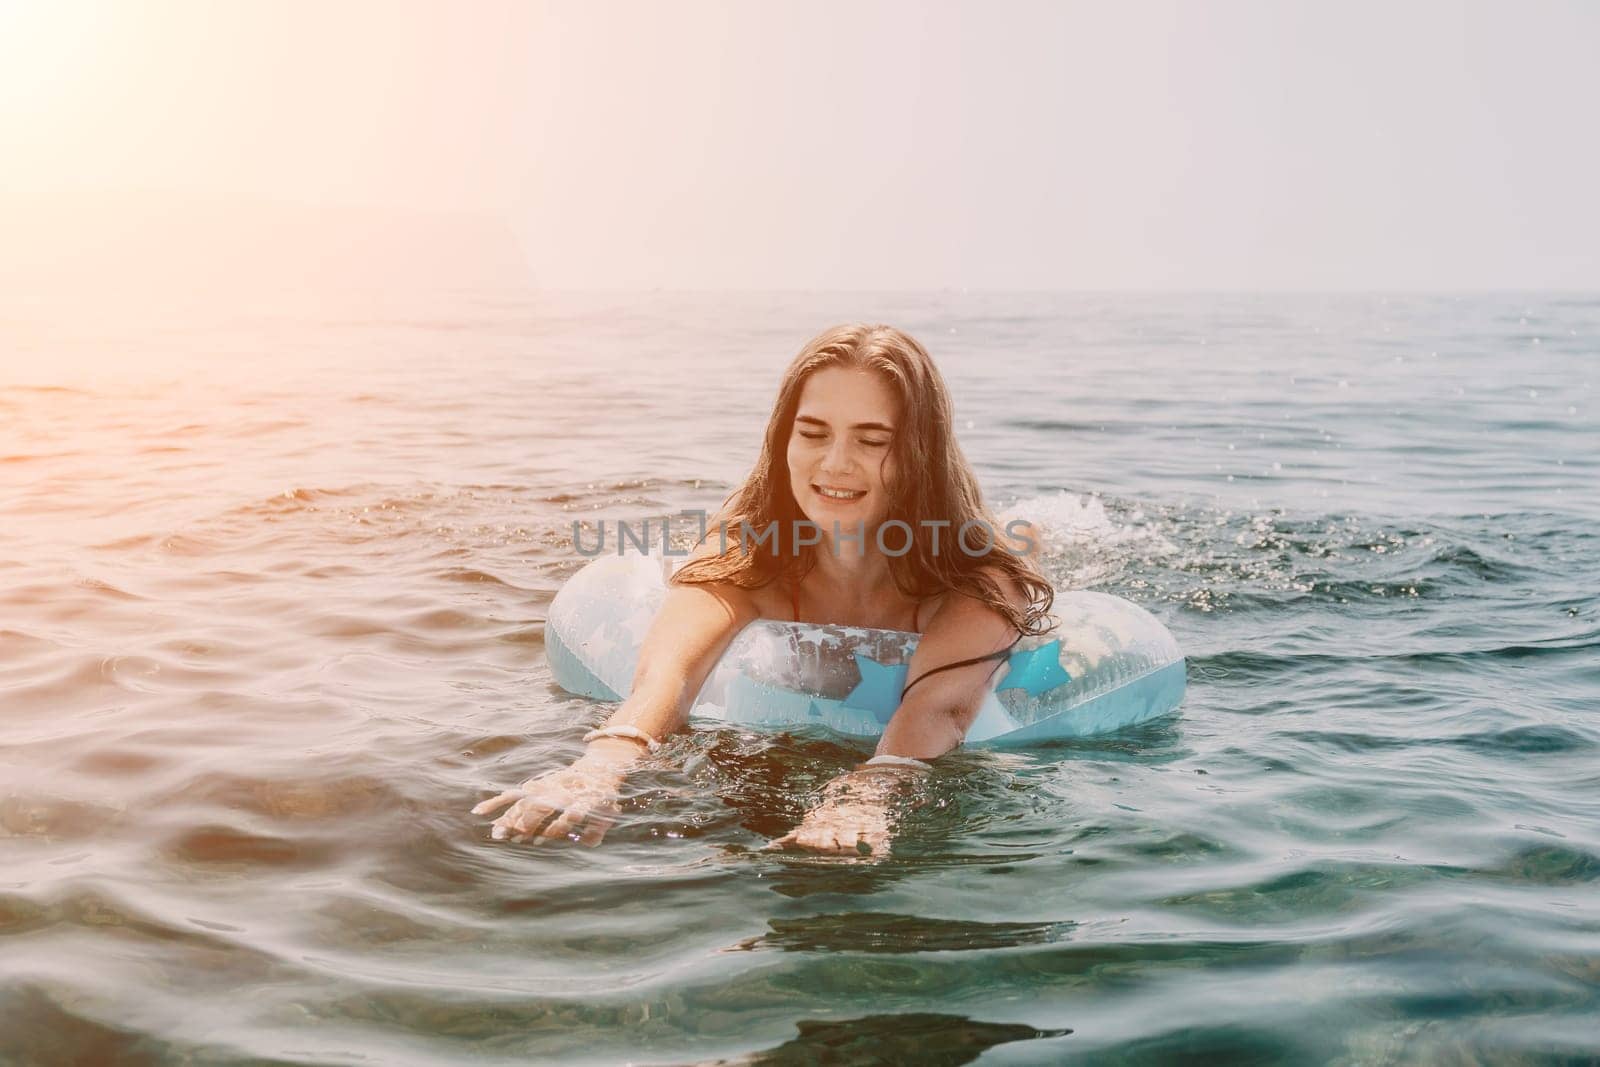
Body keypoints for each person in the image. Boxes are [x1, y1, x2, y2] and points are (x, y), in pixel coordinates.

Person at [472, 324, 1054, 855]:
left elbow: (941, 709)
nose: (835, 463)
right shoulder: (747, 547)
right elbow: (667, 677)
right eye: (813, 433)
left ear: (919, 455)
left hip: (959, 546)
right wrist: (601, 764)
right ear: (783, 439)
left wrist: (866, 798)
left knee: (1032, 540)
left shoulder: (978, 575)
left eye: (873, 440)